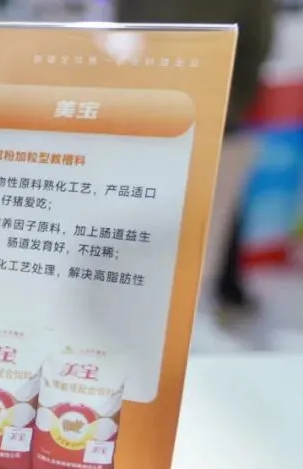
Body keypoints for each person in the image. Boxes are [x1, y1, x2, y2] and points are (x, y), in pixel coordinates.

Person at [115, 0, 275, 313]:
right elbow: (258, 44)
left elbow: (123, 32)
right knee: (215, 202)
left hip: (156, 105)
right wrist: (233, 103)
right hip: (210, 106)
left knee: (154, 200)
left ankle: (154, 294)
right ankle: (218, 290)